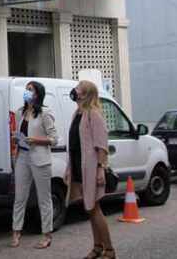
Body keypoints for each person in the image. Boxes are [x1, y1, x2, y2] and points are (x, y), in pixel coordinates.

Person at [66, 80, 115, 259]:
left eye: (78, 88)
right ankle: (97, 247)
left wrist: (100, 168)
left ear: (85, 94)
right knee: (90, 208)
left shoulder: (93, 114)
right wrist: (69, 169)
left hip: (91, 168)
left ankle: (109, 250)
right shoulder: (77, 113)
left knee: (94, 208)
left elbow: (101, 144)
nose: (75, 90)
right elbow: (74, 144)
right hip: (79, 167)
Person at [11, 81, 57, 249]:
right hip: (22, 156)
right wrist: (16, 138)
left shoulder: (45, 113)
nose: (27, 92)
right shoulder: (20, 112)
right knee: (19, 197)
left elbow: (54, 139)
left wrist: (36, 140)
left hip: (40, 158)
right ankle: (16, 232)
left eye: (30, 89)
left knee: (44, 198)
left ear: (38, 94)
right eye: (26, 89)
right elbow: (20, 133)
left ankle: (47, 235)